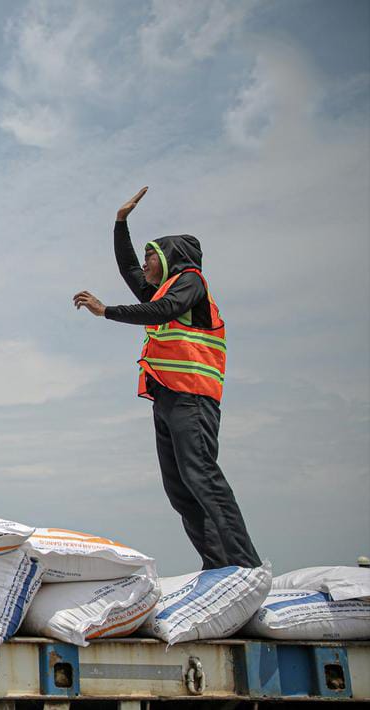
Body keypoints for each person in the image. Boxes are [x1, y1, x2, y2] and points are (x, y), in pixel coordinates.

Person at [73, 186, 261, 569]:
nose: (144, 265)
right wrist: (119, 223)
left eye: (150, 257)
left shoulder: (190, 281)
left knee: (202, 476)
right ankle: (217, 565)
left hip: (192, 396)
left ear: (168, 258)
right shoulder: (161, 287)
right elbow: (129, 271)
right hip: (167, 398)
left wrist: (105, 310)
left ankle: (246, 566)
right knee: (179, 488)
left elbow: (163, 310)